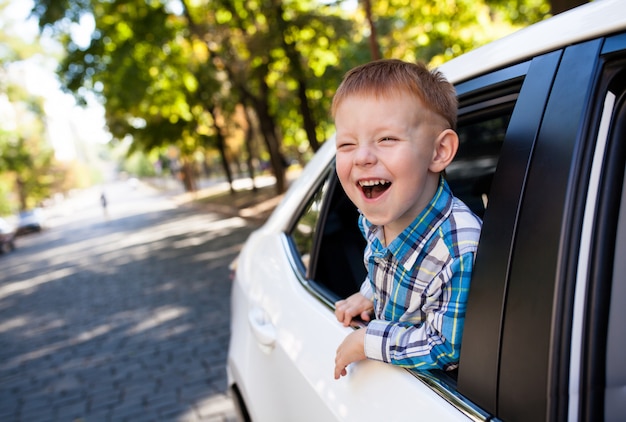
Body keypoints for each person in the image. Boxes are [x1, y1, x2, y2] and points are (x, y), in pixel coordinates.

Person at [332, 59, 482, 380]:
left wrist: (367, 341)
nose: (362, 157)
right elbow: (385, 267)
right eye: (347, 144)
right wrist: (370, 294)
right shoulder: (372, 218)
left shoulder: (457, 249)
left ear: (439, 151)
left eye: (386, 139)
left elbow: (444, 346)